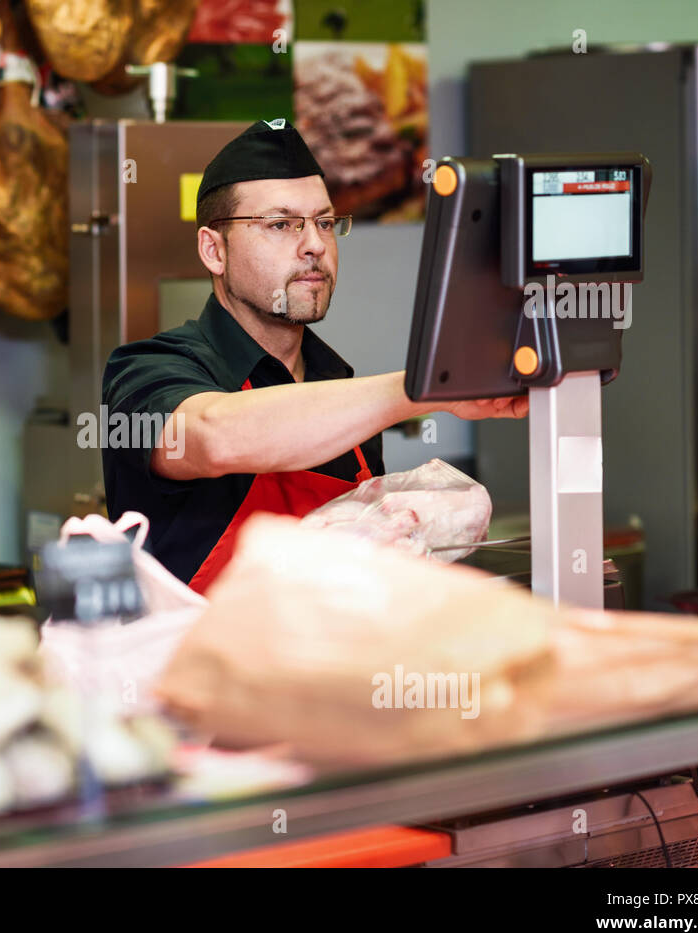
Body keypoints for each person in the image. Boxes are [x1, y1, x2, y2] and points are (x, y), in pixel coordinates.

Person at [101, 119, 527, 593]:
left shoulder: (336, 384)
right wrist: (425, 387)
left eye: (325, 222)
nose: (315, 245)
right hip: (199, 664)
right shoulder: (144, 371)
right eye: (281, 224)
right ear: (213, 250)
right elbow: (214, 435)